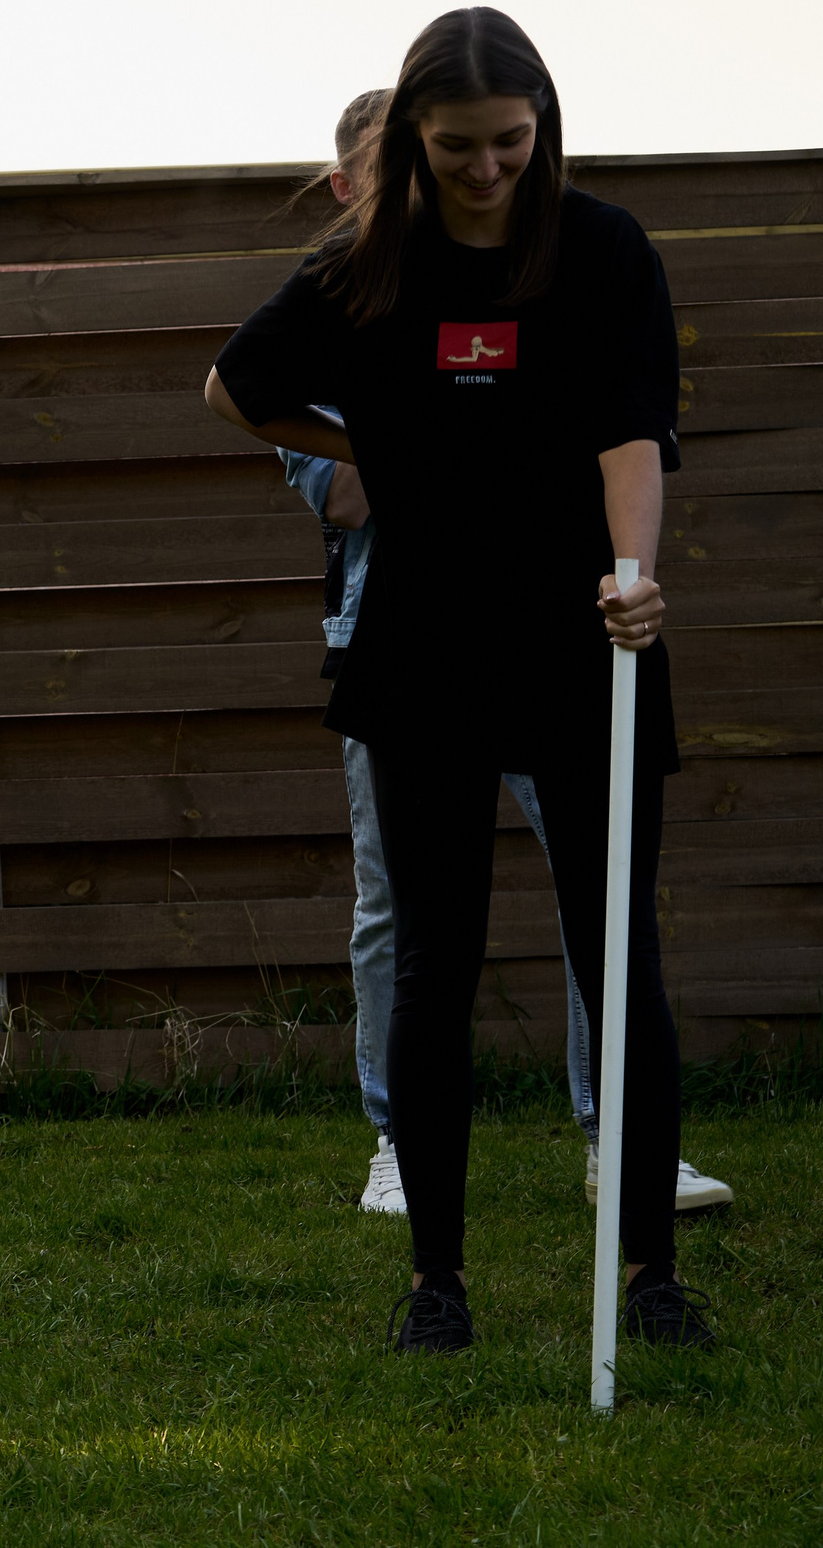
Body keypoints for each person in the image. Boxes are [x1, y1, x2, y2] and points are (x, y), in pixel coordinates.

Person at [207, 9, 715, 1354]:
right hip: (424, 639)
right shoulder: (368, 266)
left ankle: (651, 1268)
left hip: (584, 633)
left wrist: (632, 570)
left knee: (621, 952)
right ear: (415, 144)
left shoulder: (602, 251)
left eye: (508, 142)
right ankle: (439, 1279)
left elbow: (632, 434)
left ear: (541, 127)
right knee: (433, 960)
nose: (486, 168)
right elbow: (233, 386)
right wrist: (377, 443)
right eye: (456, 148)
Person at [280, 93, 732, 1222]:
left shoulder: (553, 266)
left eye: (496, 152)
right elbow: (342, 494)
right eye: (415, 166)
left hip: (545, 631)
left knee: (600, 900)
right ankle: (397, 1138)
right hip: (402, 647)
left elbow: (606, 429)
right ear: (352, 187)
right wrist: (428, 411)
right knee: (406, 915)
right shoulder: (342, 305)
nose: (464, 181)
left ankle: (612, 1140)